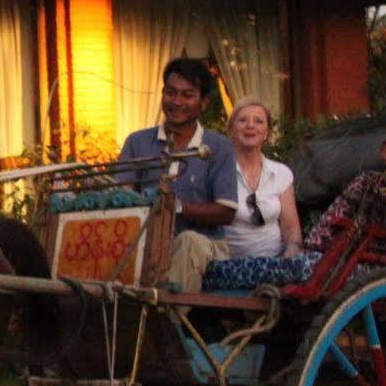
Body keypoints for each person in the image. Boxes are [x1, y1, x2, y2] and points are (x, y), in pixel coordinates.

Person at [116, 57, 236, 290]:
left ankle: (163, 320)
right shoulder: (137, 142)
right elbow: (121, 196)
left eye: (187, 95)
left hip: (206, 246)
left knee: (188, 241)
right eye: (171, 93)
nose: (177, 101)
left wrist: (177, 207)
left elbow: (226, 212)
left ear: (203, 103)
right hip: (147, 245)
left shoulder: (218, 146)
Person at [223, 98, 303, 259]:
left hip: (275, 262)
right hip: (229, 264)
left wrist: (288, 258)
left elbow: (291, 230)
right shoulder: (219, 171)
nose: (250, 125)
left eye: (258, 121)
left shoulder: (281, 173)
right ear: (231, 130)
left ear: (266, 133)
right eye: (243, 120)